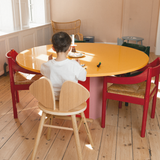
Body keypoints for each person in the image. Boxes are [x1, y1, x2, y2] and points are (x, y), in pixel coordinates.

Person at [40, 32, 87, 100]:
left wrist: (49, 62)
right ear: (69, 48)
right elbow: (83, 77)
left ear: (53, 48)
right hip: (70, 101)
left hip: (52, 101)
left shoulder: (48, 65)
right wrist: (78, 65)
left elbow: (42, 71)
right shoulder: (74, 65)